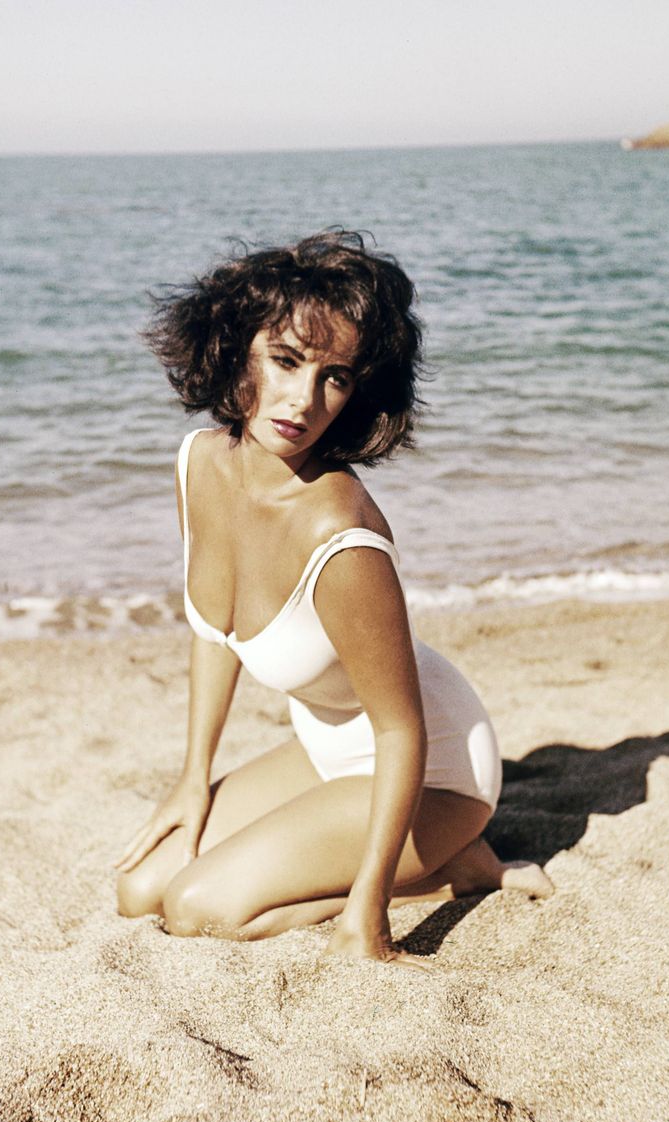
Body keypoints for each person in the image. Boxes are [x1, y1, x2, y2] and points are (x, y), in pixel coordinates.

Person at [114, 232, 552, 966]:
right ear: (238, 350)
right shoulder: (199, 463)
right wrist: (193, 779)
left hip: (431, 771)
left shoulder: (343, 538)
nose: (302, 399)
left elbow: (402, 731)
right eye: (286, 360)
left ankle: (452, 866)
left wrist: (371, 905)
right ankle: (427, 864)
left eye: (335, 377)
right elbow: (213, 633)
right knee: (139, 888)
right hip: (328, 746)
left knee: (195, 908)